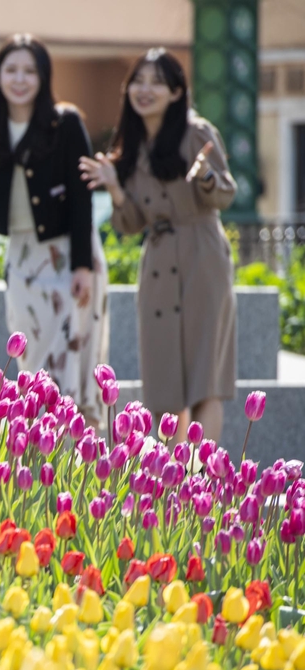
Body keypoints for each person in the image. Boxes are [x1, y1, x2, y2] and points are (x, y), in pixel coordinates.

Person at [0, 34, 108, 426]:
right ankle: (40, 454)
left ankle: (74, 454)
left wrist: (82, 266)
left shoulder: (65, 123)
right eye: (11, 70)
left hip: (69, 256)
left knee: (70, 355)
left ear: (44, 77)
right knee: (31, 355)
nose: (20, 79)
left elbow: (82, 199)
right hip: (22, 259)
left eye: (30, 71)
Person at [80, 49, 235, 443]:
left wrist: (204, 179)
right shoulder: (130, 146)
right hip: (157, 262)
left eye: (156, 82)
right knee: (164, 386)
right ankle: (168, 487)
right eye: (138, 80)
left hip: (202, 255)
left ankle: (203, 486)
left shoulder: (195, 131)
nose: (144, 90)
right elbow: (130, 225)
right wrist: (114, 186)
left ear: (176, 91)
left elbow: (225, 194)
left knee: (205, 381)